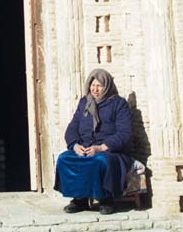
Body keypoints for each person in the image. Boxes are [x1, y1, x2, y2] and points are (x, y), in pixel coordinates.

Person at [54, 68, 133, 215]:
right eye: (93, 85)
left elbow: (125, 133)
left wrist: (101, 147)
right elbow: (72, 128)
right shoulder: (84, 102)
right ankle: (80, 200)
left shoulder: (118, 104)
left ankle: (106, 199)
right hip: (84, 148)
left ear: (107, 86)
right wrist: (75, 145)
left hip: (110, 150)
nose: (95, 89)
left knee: (99, 161)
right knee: (64, 159)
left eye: (99, 86)